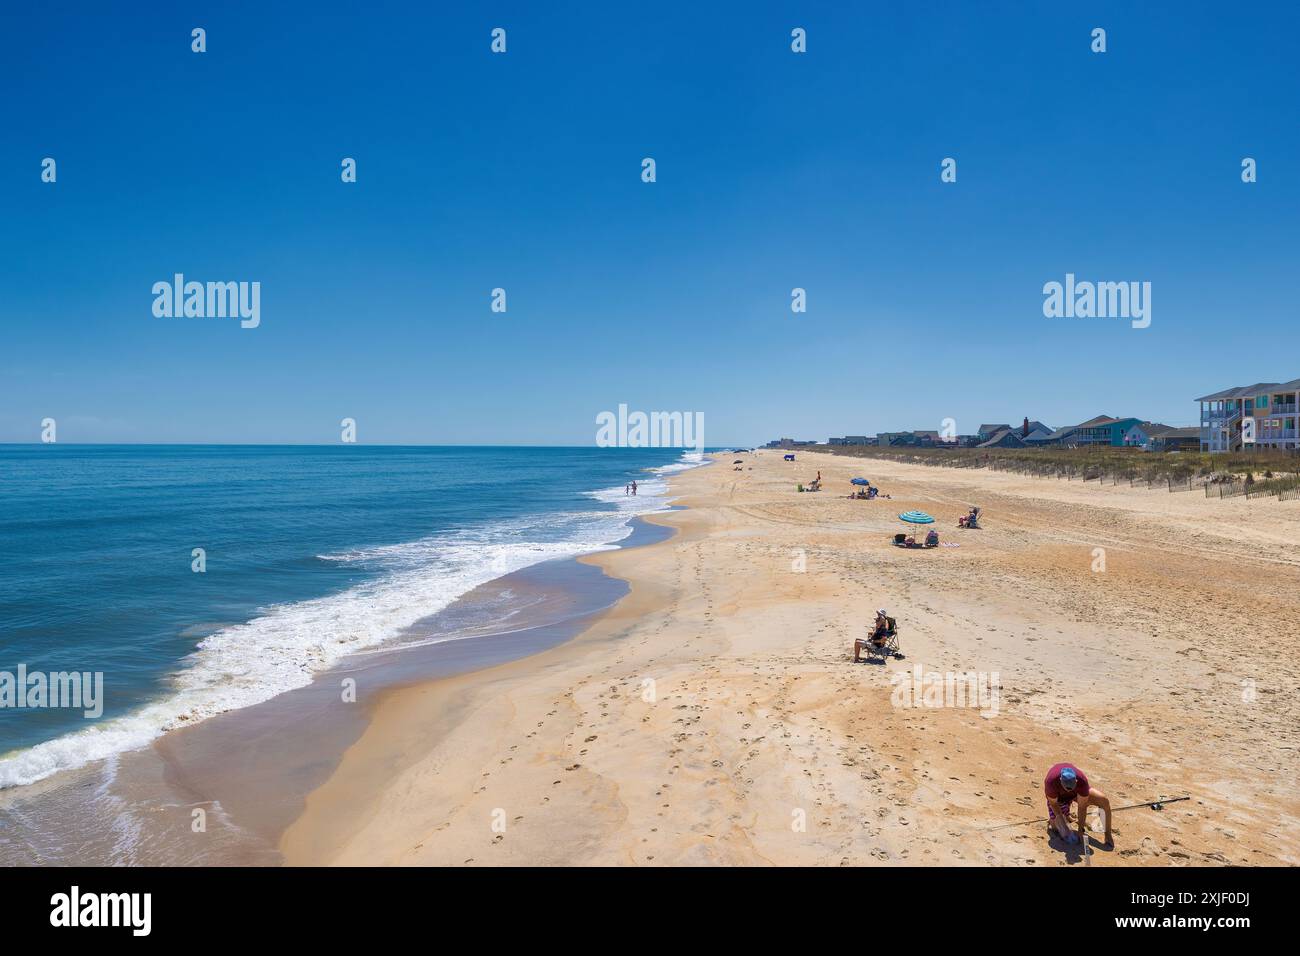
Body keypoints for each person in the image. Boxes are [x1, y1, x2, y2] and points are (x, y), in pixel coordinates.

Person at [1044, 763, 1113, 847]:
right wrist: (1062, 824)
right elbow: (1053, 804)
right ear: (1060, 779)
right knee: (1058, 828)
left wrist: (1081, 830)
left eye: (1071, 788)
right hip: (1058, 798)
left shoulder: (1082, 781)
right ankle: (1058, 817)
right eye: (1066, 788)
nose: (1068, 790)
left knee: (1103, 801)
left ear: (1076, 781)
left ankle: (1108, 834)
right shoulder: (1051, 782)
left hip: (1076, 794)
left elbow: (1082, 807)